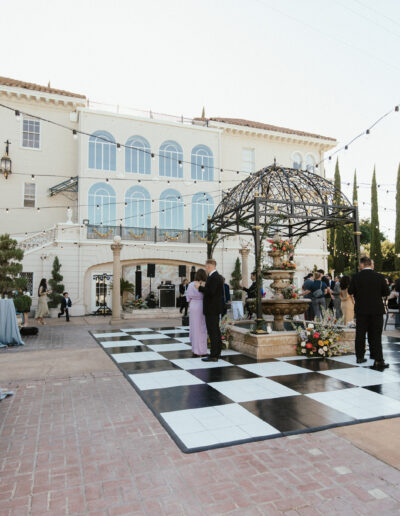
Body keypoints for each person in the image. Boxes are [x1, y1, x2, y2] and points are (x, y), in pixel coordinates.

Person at [348, 256, 390, 370]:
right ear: (370, 264)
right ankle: (378, 359)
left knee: (360, 334)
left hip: (361, 309)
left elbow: (350, 291)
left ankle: (360, 357)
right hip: (376, 309)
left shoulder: (356, 277)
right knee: (376, 334)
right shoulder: (379, 276)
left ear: (362, 265)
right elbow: (386, 292)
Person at [196, 259, 224, 362]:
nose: (205, 268)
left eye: (206, 266)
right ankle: (217, 353)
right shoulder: (217, 277)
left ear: (210, 266)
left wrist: (200, 288)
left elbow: (211, 292)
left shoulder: (214, 277)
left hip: (211, 309)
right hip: (214, 308)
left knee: (213, 332)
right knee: (216, 331)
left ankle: (213, 356)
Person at [186, 269, 208, 357]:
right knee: (202, 328)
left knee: (194, 328)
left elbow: (188, 298)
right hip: (202, 305)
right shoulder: (205, 284)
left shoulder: (191, 284)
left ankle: (195, 349)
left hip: (193, 306)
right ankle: (202, 350)